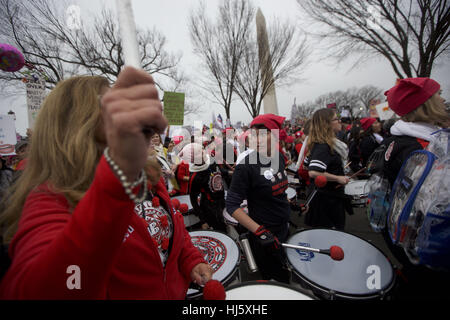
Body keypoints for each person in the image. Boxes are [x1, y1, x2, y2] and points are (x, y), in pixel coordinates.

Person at [0, 67, 212, 299]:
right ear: (78, 129)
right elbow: (47, 290)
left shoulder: (145, 175)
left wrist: (191, 260)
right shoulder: (50, 199)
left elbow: (172, 227)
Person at [381, 77, 450, 299]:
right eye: (437, 94)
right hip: (425, 245)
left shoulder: (411, 140)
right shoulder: (414, 147)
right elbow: (431, 204)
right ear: (425, 104)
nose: (443, 98)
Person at [226, 113, 291, 283]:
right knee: (276, 283)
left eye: (264, 133)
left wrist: (290, 204)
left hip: (284, 228)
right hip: (265, 235)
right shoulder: (245, 167)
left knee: (288, 277)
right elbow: (232, 205)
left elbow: (278, 190)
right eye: (254, 134)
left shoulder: (279, 157)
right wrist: (260, 232)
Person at [303, 109, 352, 230]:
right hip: (325, 202)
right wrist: (338, 178)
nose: (339, 121)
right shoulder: (323, 146)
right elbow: (313, 172)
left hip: (330, 198)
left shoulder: (325, 144)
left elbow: (306, 165)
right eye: (336, 119)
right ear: (327, 124)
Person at [179, 143, 227, 232]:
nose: (202, 152)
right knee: (221, 231)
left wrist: (234, 172)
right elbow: (193, 200)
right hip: (210, 209)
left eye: (201, 149)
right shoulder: (195, 177)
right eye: (197, 153)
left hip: (222, 201)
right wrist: (203, 221)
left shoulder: (212, 161)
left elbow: (221, 171)